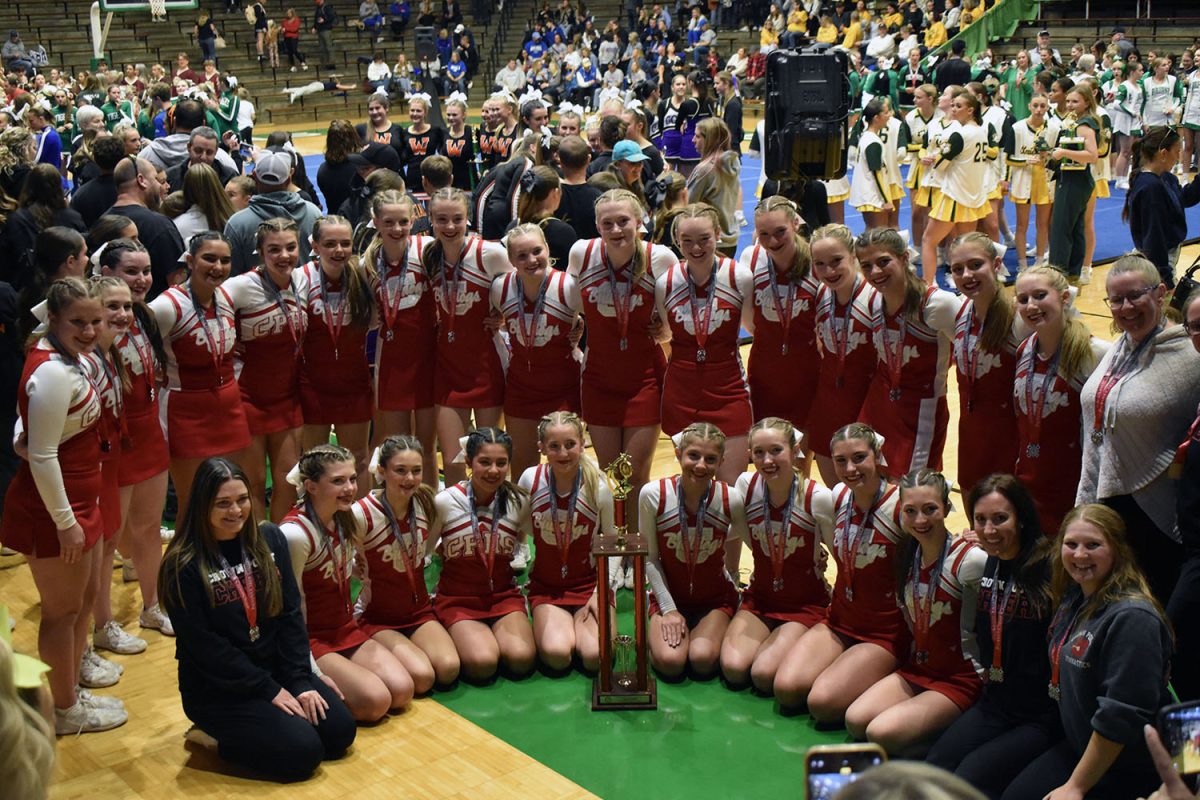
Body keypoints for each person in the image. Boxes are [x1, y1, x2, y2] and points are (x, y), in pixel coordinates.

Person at [158, 457, 355, 781]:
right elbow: (205, 648)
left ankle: (270, 722)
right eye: (223, 503)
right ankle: (214, 737)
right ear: (202, 506)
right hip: (218, 687)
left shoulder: (269, 540)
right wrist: (268, 690)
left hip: (274, 669)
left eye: (242, 500)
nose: (235, 511)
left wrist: (300, 680)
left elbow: (291, 615)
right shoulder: (183, 564)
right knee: (303, 753)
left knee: (339, 733)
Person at [0, 278, 128, 734]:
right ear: (52, 319)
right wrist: (65, 522)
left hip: (81, 499)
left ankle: (70, 692)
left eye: (96, 320)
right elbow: (43, 454)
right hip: (55, 510)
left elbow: (33, 432)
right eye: (79, 321)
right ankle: (63, 711)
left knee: (84, 600)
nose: (92, 330)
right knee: (61, 613)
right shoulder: (52, 370)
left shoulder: (69, 357)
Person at [1002, 504, 1172, 800]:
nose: (1080, 555)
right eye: (1071, 544)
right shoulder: (1076, 596)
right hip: (1080, 744)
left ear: (1117, 550)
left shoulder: (1133, 618)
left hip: (1128, 766)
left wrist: (1076, 787)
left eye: (1093, 545)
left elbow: (1120, 716)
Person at [1077, 255, 1200, 606]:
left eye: (1135, 296)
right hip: (1108, 503)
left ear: (1161, 293)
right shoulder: (1117, 348)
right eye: (1116, 300)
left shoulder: (1191, 357)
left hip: (1159, 515)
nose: (1125, 307)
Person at [926, 474, 1059, 795]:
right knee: (933, 769)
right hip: (996, 703)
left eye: (1000, 519)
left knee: (970, 778)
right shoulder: (989, 562)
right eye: (980, 520)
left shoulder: (1052, 567)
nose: (988, 530)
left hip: (1041, 714)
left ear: (1022, 518)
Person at [845, 469, 985, 755]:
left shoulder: (970, 561)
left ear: (947, 508)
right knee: (855, 720)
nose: (920, 520)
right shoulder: (907, 553)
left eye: (930, 509)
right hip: (919, 668)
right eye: (911, 511)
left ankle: (958, 737)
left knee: (879, 732)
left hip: (959, 678)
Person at [772, 423, 905, 721]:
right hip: (839, 619)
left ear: (877, 455)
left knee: (822, 703)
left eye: (859, 458)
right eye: (840, 460)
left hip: (883, 633)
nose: (850, 468)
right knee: (786, 688)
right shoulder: (838, 497)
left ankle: (891, 670)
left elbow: (937, 553)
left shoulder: (902, 506)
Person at [280, 444, 415, 721]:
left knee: (402, 691)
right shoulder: (295, 533)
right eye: (338, 481)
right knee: (376, 702)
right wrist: (307, 669)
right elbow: (291, 606)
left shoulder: (344, 517)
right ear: (311, 486)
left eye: (353, 479)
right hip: (312, 638)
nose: (350, 488)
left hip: (344, 628)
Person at [565, 189, 674, 525]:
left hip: (644, 379)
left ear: (639, 221)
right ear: (597, 225)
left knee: (637, 476)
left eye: (623, 221)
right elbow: (568, 302)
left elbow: (671, 326)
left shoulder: (660, 258)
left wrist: (664, 332)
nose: (616, 230)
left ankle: (639, 553)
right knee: (612, 477)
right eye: (607, 223)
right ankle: (615, 549)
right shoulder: (582, 253)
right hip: (599, 377)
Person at [721, 417, 833, 692]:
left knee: (763, 674)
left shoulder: (816, 497)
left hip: (803, 605)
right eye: (759, 453)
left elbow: (841, 553)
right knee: (734, 669)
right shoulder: (747, 486)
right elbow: (742, 534)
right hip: (760, 598)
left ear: (795, 450)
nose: (767, 460)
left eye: (776, 450)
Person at [97, 241, 173, 637]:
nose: (142, 279)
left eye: (146, 270)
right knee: (109, 541)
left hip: (149, 435)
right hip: (116, 442)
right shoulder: (93, 332)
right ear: (106, 273)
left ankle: (152, 606)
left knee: (147, 528)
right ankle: (103, 624)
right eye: (131, 271)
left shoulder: (144, 316)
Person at [148, 233, 252, 521]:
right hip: (186, 412)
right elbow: (137, 351)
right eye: (209, 258)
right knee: (193, 502)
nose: (217, 267)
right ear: (190, 261)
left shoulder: (228, 296)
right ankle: (188, 567)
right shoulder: (166, 307)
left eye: (225, 260)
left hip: (229, 407)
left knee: (235, 493)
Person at [352, 435, 460, 690]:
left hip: (418, 610)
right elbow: (340, 562)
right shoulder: (361, 514)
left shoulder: (427, 504)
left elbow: (430, 550)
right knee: (422, 677)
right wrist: (362, 573)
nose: (409, 479)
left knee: (448, 669)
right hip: (376, 615)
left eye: (416, 471)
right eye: (400, 471)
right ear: (381, 471)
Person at [641, 422, 746, 679]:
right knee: (670, 662)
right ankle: (654, 628)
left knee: (702, 660)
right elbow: (650, 558)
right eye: (693, 456)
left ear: (721, 461)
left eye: (710, 459)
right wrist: (669, 609)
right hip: (669, 596)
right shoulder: (653, 494)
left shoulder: (730, 498)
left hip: (714, 600)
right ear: (678, 454)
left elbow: (754, 540)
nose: (701, 466)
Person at [430, 428, 536, 682]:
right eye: (484, 462)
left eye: (501, 463)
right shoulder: (445, 501)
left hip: (503, 595)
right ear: (468, 462)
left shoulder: (518, 502)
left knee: (521, 659)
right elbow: (422, 550)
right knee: (483, 664)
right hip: (458, 599)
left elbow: (544, 541)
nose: (493, 471)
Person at [423, 188, 512, 485]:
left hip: (486, 364)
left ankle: (496, 524)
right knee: (452, 461)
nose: (450, 227)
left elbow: (524, 292)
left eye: (457, 219)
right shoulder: (427, 256)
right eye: (442, 219)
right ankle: (458, 527)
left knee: (490, 458)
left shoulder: (490, 254)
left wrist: (503, 316)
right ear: (430, 219)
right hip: (447, 366)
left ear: (468, 219)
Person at [223, 219, 309, 522]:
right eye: (274, 249)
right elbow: (198, 303)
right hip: (248, 397)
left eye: (290, 247)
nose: (283, 255)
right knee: (252, 481)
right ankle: (258, 550)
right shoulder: (240, 286)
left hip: (287, 396)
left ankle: (280, 544)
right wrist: (226, 344)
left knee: (289, 479)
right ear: (260, 251)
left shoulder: (303, 281)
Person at [1012, 266, 1108, 536]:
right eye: (1023, 299)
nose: (1031, 305)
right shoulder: (1024, 349)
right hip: (1030, 484)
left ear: (1065, 298)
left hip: (1075, 489)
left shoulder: (1095, 354)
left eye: (1040, 295)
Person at [858, 228, 961, 474]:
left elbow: (976, 352)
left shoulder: (938, 304)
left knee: (913, 493)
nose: (875, 272)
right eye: (866, 265)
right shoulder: (871, 299)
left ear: (904, 258)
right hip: (878, 402)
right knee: (870, 481)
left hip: (921, 412)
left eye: (884, 262)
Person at [517, 412, 614, 672]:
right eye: (554, 446)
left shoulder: (599, 486)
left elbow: (613, 546)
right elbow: (523, 524)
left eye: (570, 444)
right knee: (557, 655)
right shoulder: (530, 479)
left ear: (583, 443)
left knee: (596, 658)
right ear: (542, 448)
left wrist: (601, 592)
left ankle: (584, 622)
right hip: (547, 588)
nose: (563, 453)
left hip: (589, 586)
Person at [491, 224, 581, 478]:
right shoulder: (500, 288)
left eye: (536, 251)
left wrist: (580, 325)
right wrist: (495, 322)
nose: (531, 260)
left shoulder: (569, 287)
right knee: (522, 471)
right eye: (521, 255)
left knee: (566, 467)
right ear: (510, 260)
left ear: (547, 249)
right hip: (521, 389)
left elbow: (603, 323)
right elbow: (488, 319)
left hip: (563, 389)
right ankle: (529, 519)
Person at [362, 191, 437, 486]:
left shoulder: (428, 249)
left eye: (403, 221)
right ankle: (394, 512)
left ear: (414, 219)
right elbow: (364, 315)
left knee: (427, 450)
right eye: (389, 222)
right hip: (391, 361)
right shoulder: (367, 265)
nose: (396, 229)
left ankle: (429, 514)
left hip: (429, 359)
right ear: (376, 222)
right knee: (395, 448)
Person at [298, 216, 374, 493]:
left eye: (345, 243)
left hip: (353, 383)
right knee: (313, 462)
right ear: (315, 246)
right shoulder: (300, 279)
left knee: (358, 459)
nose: (338, 250)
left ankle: (361, 525)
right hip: (312, 385)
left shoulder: (363, 276)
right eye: (330, 244)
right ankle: (317, 527)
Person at [948, 234, 1023, 496]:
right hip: (970, 438)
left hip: (1010, 442)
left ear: (997, 264)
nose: (967, 275)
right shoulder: (959, 312)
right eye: (958, 269)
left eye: (975, 265)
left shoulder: (1020, 319)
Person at [739, 196, 821, 436]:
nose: (772, 241)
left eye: (780, 231)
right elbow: (749, 322)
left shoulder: (817, 262)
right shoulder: (751, 258)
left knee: (800, 453)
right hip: (764, 370)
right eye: (763, 234)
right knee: (767, 450)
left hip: (808, 370)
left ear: (796, 224)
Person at [808, 224, 877, 488]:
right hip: (829, 400)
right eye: (820, 264)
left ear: (853, 256)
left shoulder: (875, 299)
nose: (829, 271)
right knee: (836, 492)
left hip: (867, 403)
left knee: (867, 490)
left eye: (836, 261)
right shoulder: (822, 294)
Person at [921, 89, 991, 276]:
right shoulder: (981, 131)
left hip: (954, 193)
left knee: (928, 240)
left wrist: (933, 158)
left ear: (970, 110)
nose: (953, 109)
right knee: (966, 246)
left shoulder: (960, 134)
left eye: (958, 106)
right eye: (952, 105)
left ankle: (929, 285)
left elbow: (941, 166)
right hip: (973, 194)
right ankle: (970, 285)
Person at [1123, 126, 1200, 287]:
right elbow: (1154, 236)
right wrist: (1165, 279)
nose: (1179, 158)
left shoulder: (1166, 178)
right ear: (1163, 153)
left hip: (1165, 257)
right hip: (1158, 261)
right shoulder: (1151, 187)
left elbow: (1184, 199)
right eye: (1177, 151)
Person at [104, 157, 186, 299]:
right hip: (156, 316)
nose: (161, 186)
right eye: (156, 179)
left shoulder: (102, 222)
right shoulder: (159, 225)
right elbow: (178, 285)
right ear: (142, 180)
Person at [1047, 86, 1100, 284]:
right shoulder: (1077, 122)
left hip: (1074, 181)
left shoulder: (1084, 125)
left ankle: (1057, 274)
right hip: (1075, 180)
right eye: (1068, 101)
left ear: (1087, 102)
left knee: (1061, 228)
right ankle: (1072, 273)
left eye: (1075, 101)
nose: (1069, 105)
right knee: (1075, 228)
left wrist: (1063, 153)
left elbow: (1092, 156)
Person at [1009, 93, 1059, 271]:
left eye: (1042, 106)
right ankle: (1022, 264)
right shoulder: (1017, 128)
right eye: (1035, 106)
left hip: (1045, 182)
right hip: (1023, 181)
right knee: (1021, 225)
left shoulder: (1054, 129)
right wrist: (1024, 162)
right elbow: (1007, 158)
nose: (1039, 110)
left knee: (1042, 224)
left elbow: (1057, 158)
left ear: (1047, 108)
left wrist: (1049, 156)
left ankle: (1039, 263)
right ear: (1029, 106)